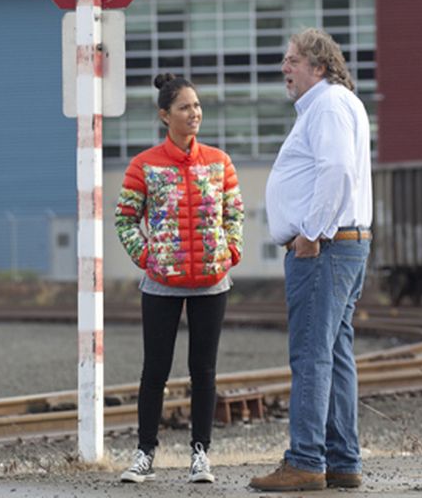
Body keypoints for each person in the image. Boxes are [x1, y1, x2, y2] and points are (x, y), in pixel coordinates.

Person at [250, 28, 373, 492]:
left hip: (325, 248)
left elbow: (337, 169)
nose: (285, 68)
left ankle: (305, 460)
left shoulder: (327, 105)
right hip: (342, 245)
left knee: (311, 354)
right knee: (336, 353)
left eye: (293, 60)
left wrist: (312, 233)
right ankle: (342, 460)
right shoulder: (338, 104)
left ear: (319, 67)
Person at [114, 73, 244, 485]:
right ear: (165, 115)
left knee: (203, 370)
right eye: (185, 107)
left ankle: (200, 455)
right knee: (155, 370)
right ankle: (144, 454)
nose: (195, 113)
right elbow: (124, 219)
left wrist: (231, 252)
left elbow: (234, 214)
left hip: (211, 280)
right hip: (161, 283)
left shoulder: (219, 162)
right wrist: (148, 257)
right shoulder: (145, 165)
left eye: (197, 106)